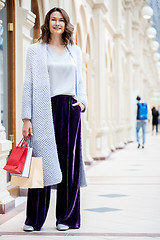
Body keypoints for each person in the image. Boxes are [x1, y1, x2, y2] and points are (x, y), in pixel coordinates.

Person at [22, 7, 87, 232]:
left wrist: (83, 103)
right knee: (40, 165)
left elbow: (81, 83)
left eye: (61, 20)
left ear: (65, 24)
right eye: (53, 19)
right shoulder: (35, 50)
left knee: (68, 166)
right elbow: (27, 85)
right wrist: (26, 118)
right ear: (47, 23)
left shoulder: (74, 51)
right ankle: (34, 219)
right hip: (44, 109)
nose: (57, 23)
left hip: (70, 110)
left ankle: (66, 218)